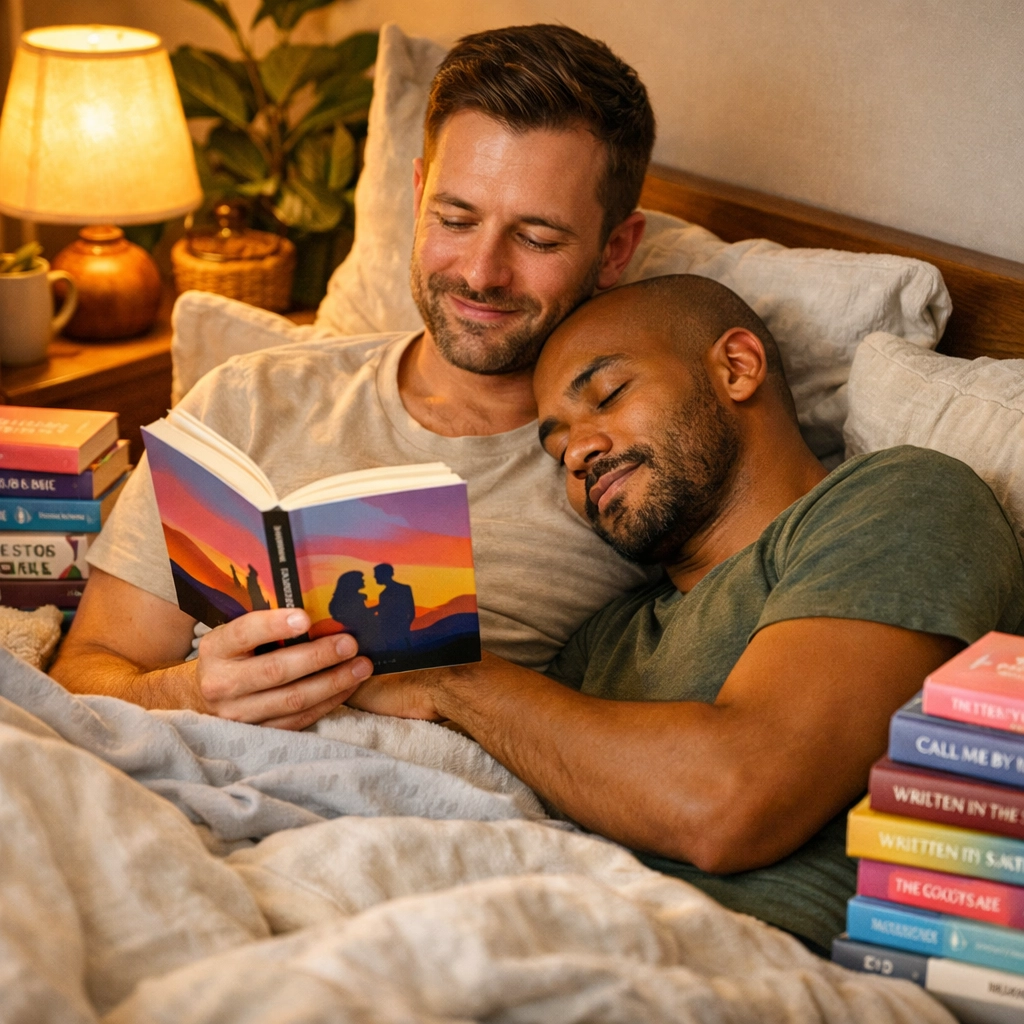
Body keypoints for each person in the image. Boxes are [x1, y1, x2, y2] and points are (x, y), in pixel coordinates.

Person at [344, 274, 1024, 951]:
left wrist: (452, 678)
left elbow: (731, 802)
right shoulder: (604, 642)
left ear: (736, 366)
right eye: (556, 451)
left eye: (608, 396)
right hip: (549, 921)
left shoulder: (900, 498)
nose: (578, 453)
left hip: (757, 960)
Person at [50, 24, 659, 728]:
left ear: (616, 250)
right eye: (455, 218)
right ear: (419, 191)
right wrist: (191, 692)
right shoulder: (246, 399)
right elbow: (82, 675)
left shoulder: (633, 473)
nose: (481, 273)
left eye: (536, 238)